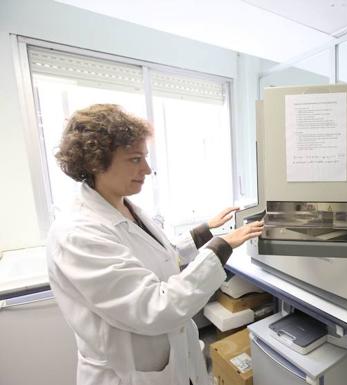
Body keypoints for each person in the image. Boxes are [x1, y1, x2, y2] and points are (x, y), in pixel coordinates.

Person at [46, 104, 264, 385]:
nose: (147, 169)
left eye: (145, 158)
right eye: (135, 159)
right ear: (95, 162)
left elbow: (161, 259)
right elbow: (156, 307)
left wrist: (203, 232)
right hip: (128, 375)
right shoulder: (77, 234)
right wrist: (221, 246)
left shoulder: (125, 207)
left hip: (173, 363)